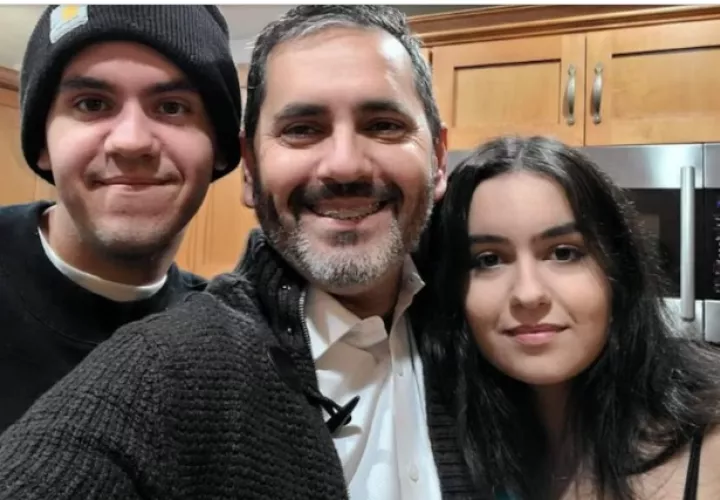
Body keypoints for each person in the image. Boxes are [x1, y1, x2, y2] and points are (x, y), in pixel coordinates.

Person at [0, 6, 480, 500]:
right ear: (250, 168)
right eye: (302, 129)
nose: (344, 165)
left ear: (438, 158)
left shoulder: (484, 326)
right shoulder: (174, 360)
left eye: (383, 125)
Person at [412, 135, 720, 500]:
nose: (528, 294)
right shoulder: (452, 454)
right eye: (489, 260)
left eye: (563, 253)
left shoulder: (710, 443)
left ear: (618, 270)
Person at [0, 5, 242, 433]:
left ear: (221, 149)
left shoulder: (226, 340)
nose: (130, 142)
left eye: (172, 107)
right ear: (42, 144)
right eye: (92, 104)